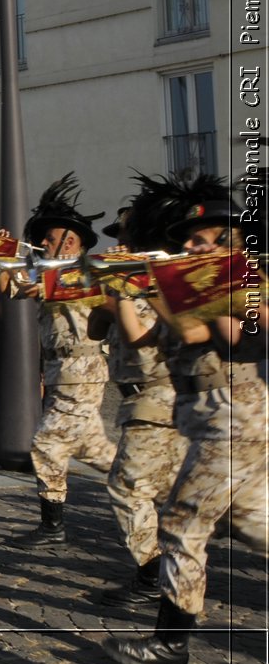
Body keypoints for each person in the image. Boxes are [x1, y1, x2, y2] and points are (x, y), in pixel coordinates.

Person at [104, 176, 267, 664]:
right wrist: (134, 288)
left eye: (199, 240)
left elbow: (229, 339)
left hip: (235, 415)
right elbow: (159, 335)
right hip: (208, 417)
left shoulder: (251, 278)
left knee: (181, 523)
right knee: (252, 524)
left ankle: (170, 642)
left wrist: (179, 285)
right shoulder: (200, 282)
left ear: (228, 240)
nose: (188, 247)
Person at [2, 174, 116, 548]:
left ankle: (53, 525)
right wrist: (2, 256)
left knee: (46, 444)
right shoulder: (45, 272)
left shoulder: (90, 271)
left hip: (82, 371)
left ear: (71, 241)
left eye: (49, 239)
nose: (43, 245)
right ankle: (155, 486)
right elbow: (12, 289)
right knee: (94, 450)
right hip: (58, 371)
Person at [94, 177, 186, 607]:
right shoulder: (125, 276)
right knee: (168, 493)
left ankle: (152, 574)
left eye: (126, 237)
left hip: (158, 390)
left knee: (127, 485)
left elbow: (140, 336)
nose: (120, 244)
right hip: (137, 395)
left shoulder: (160, 276)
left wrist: (117, 297)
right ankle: (174, 576)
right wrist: (101, 296)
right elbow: (99, 329)